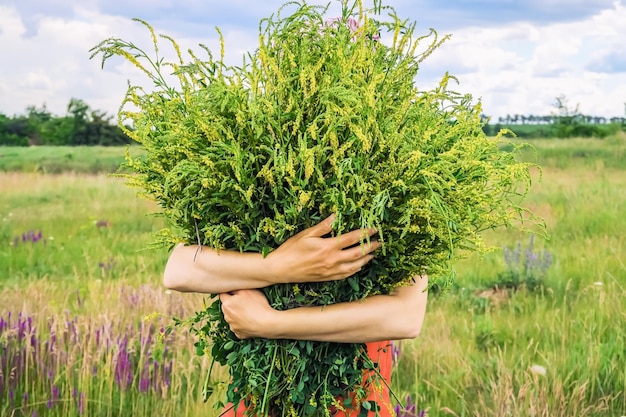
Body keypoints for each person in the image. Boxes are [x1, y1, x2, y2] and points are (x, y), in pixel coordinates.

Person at [164, 214, 429, 417]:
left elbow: (405, 315)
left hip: (352, 398)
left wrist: (268, 323)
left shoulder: (392, 194)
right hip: (258, 393)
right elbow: (179, 269)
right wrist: (282, 265)